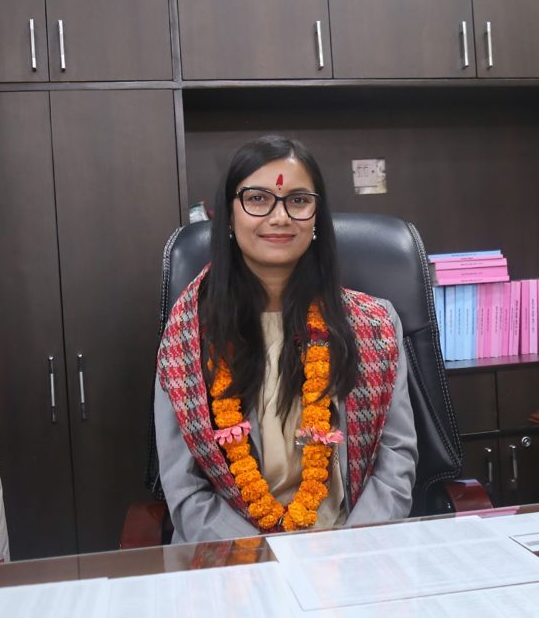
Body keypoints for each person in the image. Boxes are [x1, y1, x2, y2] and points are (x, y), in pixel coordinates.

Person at [154, 135, 417, 543]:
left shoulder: (374, 325)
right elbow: (186, 488)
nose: (280, 217)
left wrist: (352, 548)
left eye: (298, 200)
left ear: (316, 218)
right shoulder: (189, 334)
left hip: (350, 549)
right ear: (229, 216)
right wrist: (261, 560)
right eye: (258, 199)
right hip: (230, 553)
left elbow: (395, 459)